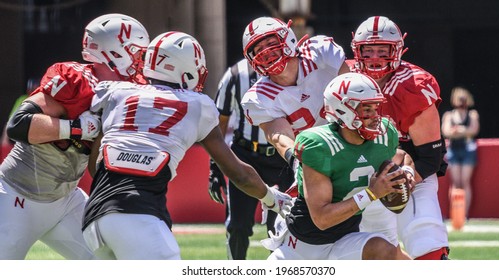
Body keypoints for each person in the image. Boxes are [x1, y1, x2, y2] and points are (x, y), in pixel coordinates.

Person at [81, 31, 293, 260]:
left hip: (94, 216)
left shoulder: (117, 93)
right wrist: (272, 198)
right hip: (139, 214)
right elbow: (238, 173)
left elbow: (96, 166)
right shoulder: (197, 105)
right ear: (184, 67)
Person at [0, 13, 150, 260]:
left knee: (112, 263)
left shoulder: (127, 91)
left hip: (66, 200)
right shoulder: (75, 79)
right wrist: (77, 128)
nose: (139, 60)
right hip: (17, 196)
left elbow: (94, 166)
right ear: (113, 51)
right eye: (135, 51)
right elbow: (18, 124)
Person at [266, 72, 414, 260]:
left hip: (346, 238)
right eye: (367, 109)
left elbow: (402, 157)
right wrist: (371, 194)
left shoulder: (383, 136)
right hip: (303, 248)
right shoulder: (321, 145)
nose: (375, 116)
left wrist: (407, 172)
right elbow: (322, 219)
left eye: (375, 108)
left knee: (386, 251)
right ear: (344, 111)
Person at [347, 15, 450, 259]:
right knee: (374, 252)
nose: (374, 58)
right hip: (362, 174)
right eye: (368, 50)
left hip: (409, 171)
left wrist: (403, 180)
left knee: (425, 238)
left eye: (382, 50)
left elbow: (430, 156)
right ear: (356, 50)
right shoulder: (344, 78)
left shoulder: (412, 85)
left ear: (398, 50)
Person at [208, 58, 294, 260]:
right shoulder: (236, 74)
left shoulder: (294, 71)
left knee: (282, 227)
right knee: (238, 226)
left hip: (283, 159)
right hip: (246, 156)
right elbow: (219, 121)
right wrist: (215, 167)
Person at [240, 16, 350, 172]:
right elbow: (279, 136)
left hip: (352, 137)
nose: (266, 52)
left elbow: (355, 92)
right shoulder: (258, 97)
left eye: (271, 44)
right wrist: (297, 161)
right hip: (318, 155)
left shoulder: (320, 54)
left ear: (288, 39)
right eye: (259, 50)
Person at [441, 86, 479, 220]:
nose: (461, 103)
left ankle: (465, 214)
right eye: (459, 99)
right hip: (454, 149)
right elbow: (446, 132)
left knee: (465, 181)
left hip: (467, 149)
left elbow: (473, 130)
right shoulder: (449, 115)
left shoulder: (472, 114)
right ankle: (456, 214)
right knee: (456, 182)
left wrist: (459, 130)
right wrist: (462, 131)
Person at [0, 78, 39, 163]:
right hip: (18, 136)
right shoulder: (22, 99)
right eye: (31, 89)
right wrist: (4, 139)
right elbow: (11, 119)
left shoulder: (42, 101)